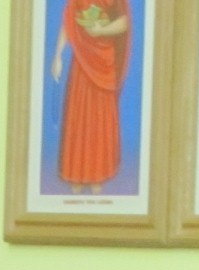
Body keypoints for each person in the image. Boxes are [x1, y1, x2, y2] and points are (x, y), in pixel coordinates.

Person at [51, 0, 132, 191]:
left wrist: (102, 31)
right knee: (78, 117)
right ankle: (76, 174)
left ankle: (98, 174)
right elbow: (69, 21)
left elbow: (124, 22)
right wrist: (58, 55)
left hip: (104, 61)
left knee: (100, 119)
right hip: (81, 59)